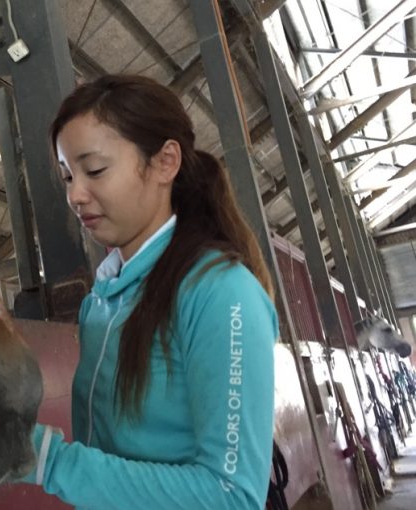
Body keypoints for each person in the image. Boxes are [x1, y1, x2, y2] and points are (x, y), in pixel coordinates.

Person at [22, 75, 279, 509]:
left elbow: (233, 496)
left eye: (95, 170)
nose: (75, 195)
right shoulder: (100, 302)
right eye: (67, 176)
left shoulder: (221, 293)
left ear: (165, 162)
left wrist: (52, 462)